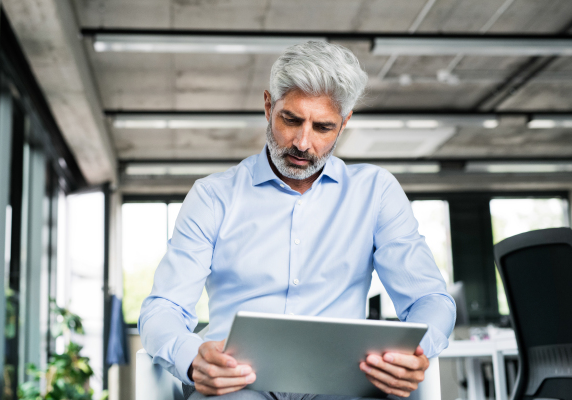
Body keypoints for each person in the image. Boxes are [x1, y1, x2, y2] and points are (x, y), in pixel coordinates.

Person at [139, 41, 456, 400]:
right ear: (267, 106)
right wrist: (192, 360)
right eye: (291, 120)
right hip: (239, 383)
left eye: (323, 127)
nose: (303, 143)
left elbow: (429, 298)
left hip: (342, 382)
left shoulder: (376, 192)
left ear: (345, 122)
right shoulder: (213, 196)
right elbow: (163, 307)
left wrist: (414, 351)